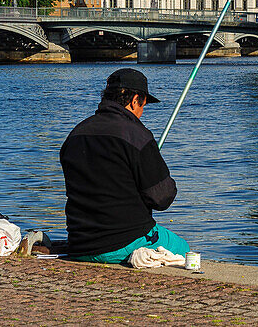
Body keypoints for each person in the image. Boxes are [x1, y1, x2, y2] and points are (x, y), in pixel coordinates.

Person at [60, 68, 189, 264]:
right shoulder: (137, 136)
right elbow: (162, 198)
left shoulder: (75, 134)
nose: (142, 112)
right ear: (135, 99)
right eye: (143, 105)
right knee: (182, 249)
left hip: (80, 245)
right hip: (123, 242)